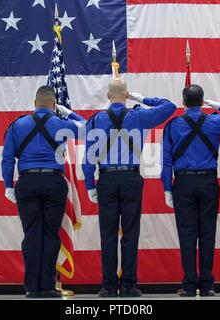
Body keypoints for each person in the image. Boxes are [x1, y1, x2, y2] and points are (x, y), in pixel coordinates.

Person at [82, 79, 176, 297]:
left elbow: (88, 158)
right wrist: (141, 98)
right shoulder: (138, 116)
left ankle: (107, 286)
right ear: (126, 95)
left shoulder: (96, 120)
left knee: (108, 235)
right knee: (130, 234)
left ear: (107, 96)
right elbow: (169, 106)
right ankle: (128, 285)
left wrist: (89, 185)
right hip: (131, 178)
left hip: (106, 179)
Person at [161, 84, 220, 297]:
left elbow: (167, 161)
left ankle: (189, 286)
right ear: (202, 101)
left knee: (187, 235)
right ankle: (207, 285)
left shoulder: (173, 126)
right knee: (207, 234)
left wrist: (167, 189)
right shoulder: (214, 121)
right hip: (208, 182)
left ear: (183, 102)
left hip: (183, 184)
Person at [1, 86, 85, 298]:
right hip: (53, 182)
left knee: (31, 235)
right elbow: (87, 129)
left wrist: (8, 186)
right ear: (54, 104)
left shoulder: (17, 125)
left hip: (27, 182)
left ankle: (31, 288)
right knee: (50, 234)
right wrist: (70, 113)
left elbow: (8, 158)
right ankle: (47, 287)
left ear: (34, 102)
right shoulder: (61, 123)